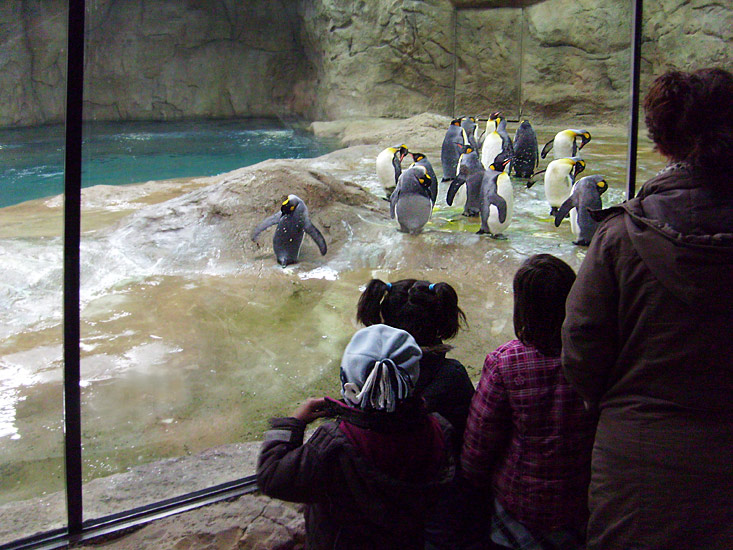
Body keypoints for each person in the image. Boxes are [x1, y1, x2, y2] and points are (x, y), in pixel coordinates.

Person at [561, 67, 733, 549]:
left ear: (661, 144)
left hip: (638, 467)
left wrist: (619, 405)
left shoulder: (620, 238)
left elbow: (580, 352)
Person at [257, 323, 454, 550]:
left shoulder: (334, 444)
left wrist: (293, 423)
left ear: (349, 385)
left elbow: (271, 476)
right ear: (413, 379)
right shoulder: (439, 429)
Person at [461, 254, 597, 550]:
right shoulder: (596, 356)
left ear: (522, 307)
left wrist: (472, 482)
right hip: (582, 500)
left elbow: (479, 442)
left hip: (520, 505)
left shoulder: (505, 363)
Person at [356, 278, 481, 549]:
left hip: (383, 499)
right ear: (441, 322)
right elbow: (473, 440)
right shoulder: (454, 375)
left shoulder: (368, 375)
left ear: (384, 324)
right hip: (443, 499)